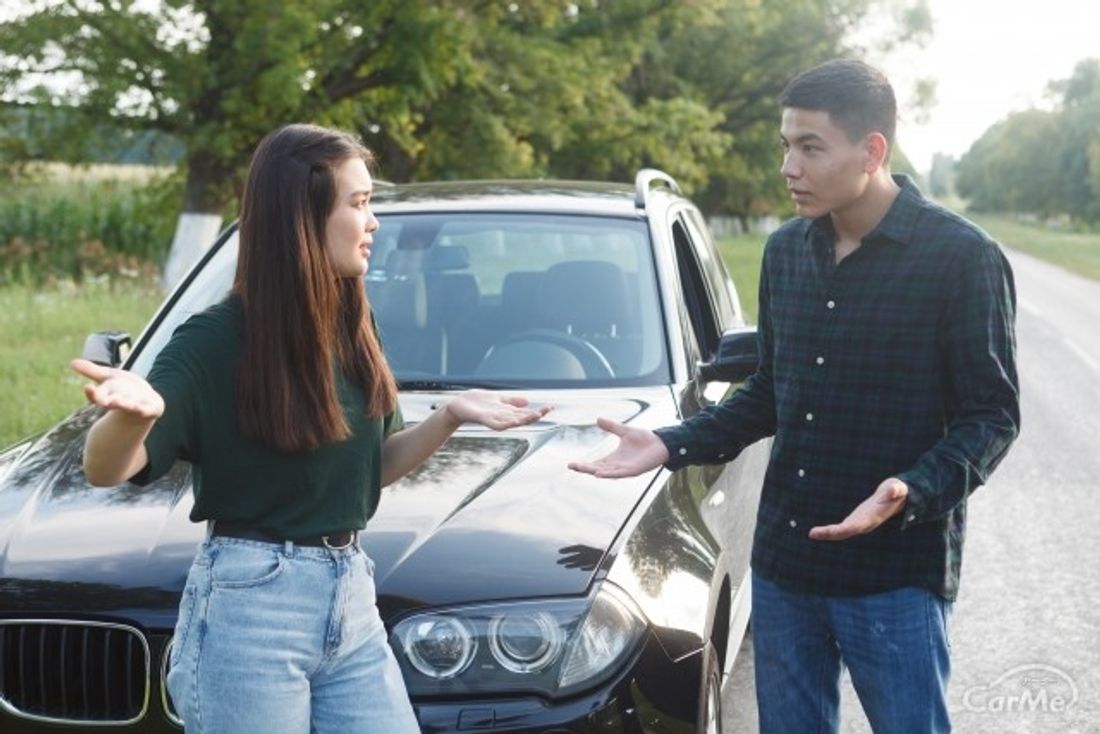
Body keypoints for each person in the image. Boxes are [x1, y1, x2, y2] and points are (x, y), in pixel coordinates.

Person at [570, 59, 1019, 732]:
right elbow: (772, 393)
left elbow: (993, 415)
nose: (789, 167)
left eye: (811, 147)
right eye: (786, 145)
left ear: (872, 151)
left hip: (895, 574)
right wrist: (669, 441)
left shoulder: (962, 258)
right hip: (786, 568)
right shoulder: (785, 253)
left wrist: (912, 486)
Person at [70, 123, 549, 733]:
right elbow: (104, 469)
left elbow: (370, 470)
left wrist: (451, 417)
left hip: (350, 595)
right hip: (250, 611)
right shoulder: (212, 340)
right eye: (358, 203)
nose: (373, 222)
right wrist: (131, 417)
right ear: (302, 216)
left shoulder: (352, 321)